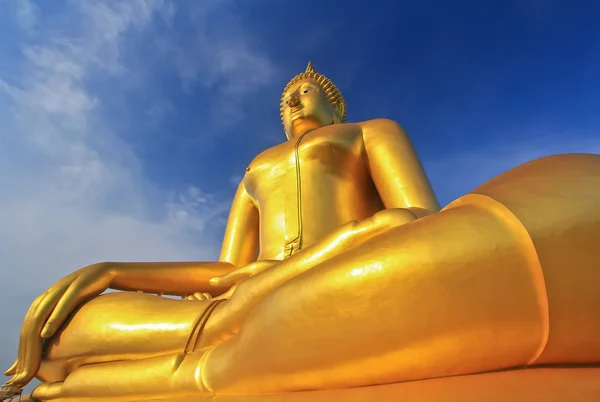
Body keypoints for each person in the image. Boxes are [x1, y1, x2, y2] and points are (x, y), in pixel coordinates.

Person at [5, 63, 600, 402]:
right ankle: (225, 347)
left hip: (345, 273)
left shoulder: (369, 133)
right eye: (286, 99)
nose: (293, 99)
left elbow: (418, 218)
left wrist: (334, 252)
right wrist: (112, 272)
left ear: (335, 105)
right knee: (75, 328)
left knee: (411, 235)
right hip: (242, 301)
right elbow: (224, 273)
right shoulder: (256, 168)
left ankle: (176, 366)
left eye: (305, 91)